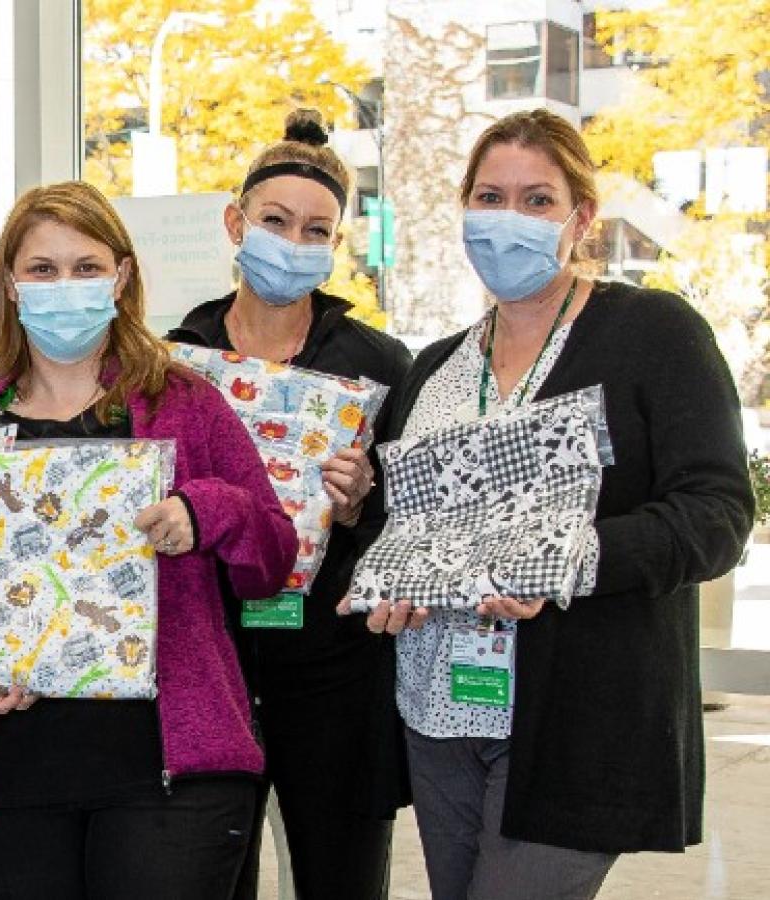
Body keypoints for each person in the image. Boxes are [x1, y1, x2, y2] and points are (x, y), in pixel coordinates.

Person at [348, 109, 752, 900]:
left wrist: (570, 559)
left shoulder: (652, 334)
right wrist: (381, 552)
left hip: (575, 715)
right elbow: (411, 527)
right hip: (436, 710)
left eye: (537, 200)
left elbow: (717, 512)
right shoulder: (435, 368)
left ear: (581, 218)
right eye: (490, 197)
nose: (509, 220)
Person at [0, 180, 299, 900]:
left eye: (86, 267)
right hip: (13, 772)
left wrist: (204, 510)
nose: (65, 286)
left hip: (167, 779)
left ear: (121, 276)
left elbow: (272, 559)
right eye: (43, 269)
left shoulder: (186, 404)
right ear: (9, 284)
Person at [167, 108, 412, 900]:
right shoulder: (178, 355)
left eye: (316, 230)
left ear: (335, 247)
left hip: (335, 675)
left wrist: (357, 511)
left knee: (341, 875)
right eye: (276, 221)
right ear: (236, 222)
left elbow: (415, 529)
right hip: (214, 662)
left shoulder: (377, 364)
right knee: (208, 874)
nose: (294, 243)